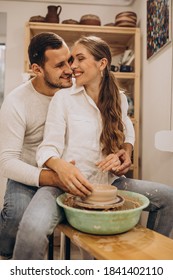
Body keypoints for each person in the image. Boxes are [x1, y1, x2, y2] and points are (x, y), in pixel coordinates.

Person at [36, 35, 173, 239]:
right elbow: (47, 148)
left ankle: (152, 260)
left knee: (168, 198)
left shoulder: (120, 98)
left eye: (80, 58)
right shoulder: (63, 98)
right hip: (68, 186)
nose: (73, 66)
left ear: (102, 63)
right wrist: (61, 167)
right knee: (34, 228)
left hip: (110, 184)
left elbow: (128, 133)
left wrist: (125, 153)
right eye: (72, 60)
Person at [0, 32, 93, 260]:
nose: (70, 69)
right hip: (29, 174)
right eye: (59, 65)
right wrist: (53, 177)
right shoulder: (16, 102)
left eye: (69, 60)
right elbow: (6, 162)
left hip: (70, 171)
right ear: (37, 69)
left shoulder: (77, 91)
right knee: (17, 216)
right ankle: (6, 257)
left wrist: (126, 148)